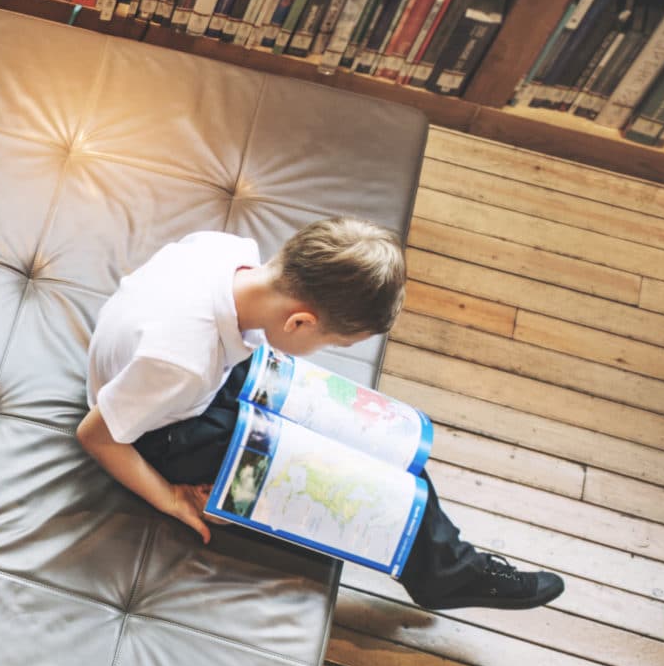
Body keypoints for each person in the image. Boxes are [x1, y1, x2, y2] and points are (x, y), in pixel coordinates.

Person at [77, 218, 564, 611]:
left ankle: (450, 563)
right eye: (332, 341)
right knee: (343, 480)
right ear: (300, 321)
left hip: (198, 380)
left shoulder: (227, 251)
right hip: (163, 430)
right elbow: (97, 435)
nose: (327, 348)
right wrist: (171, 500)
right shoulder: (180, 359)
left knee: (378, 443)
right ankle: (451, 576)